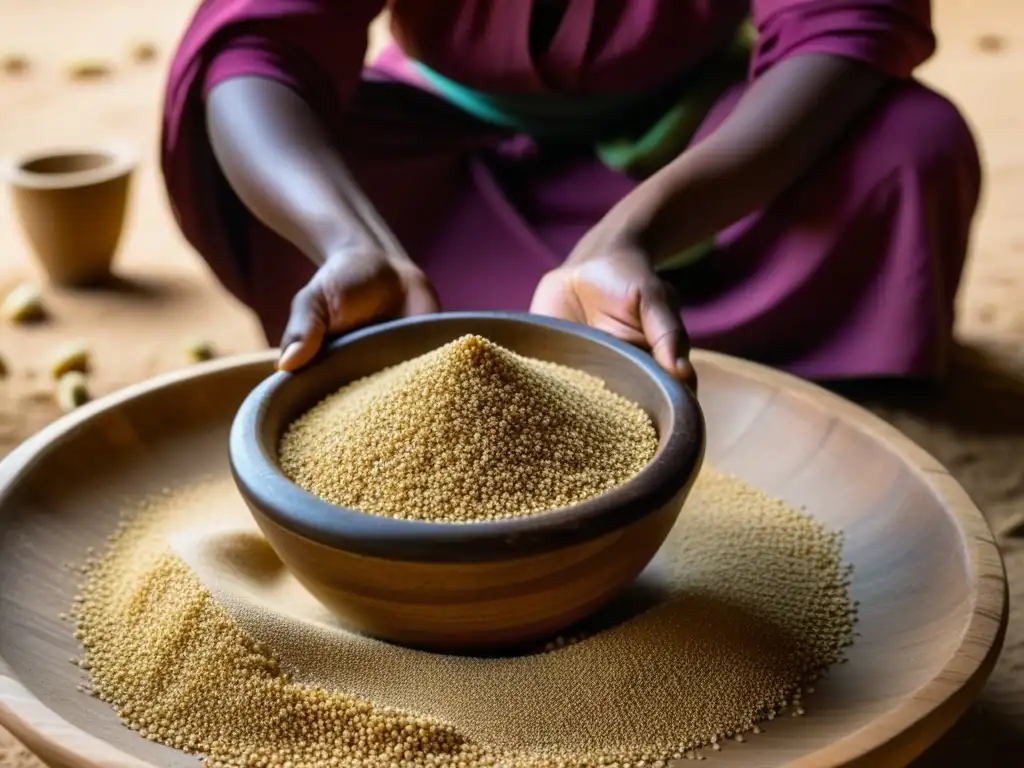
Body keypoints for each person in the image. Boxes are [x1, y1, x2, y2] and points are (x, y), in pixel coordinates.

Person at [161, 0, 980, 389]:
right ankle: (681, 344)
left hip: (698, 145)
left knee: (905, 149)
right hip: (441, 148)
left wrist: (634, 233)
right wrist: (349, 238)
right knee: (243, 139)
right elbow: (258, 43)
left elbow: (846, 23)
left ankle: (624, 302)